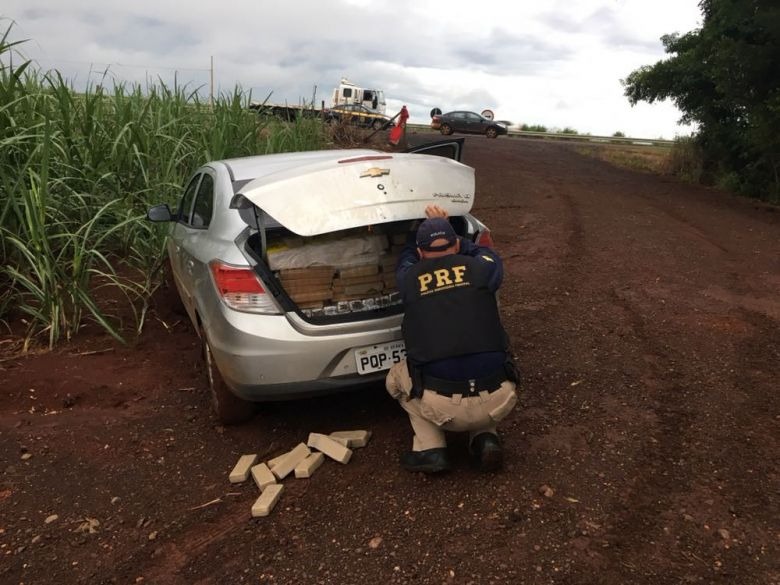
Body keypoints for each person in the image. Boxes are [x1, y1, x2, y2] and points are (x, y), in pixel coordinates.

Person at [385, 204, 519, 473]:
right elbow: (486, 253)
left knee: (396, 380)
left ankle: (431, 449)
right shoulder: (482, 270)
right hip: (500, 398)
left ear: (422, 252)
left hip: (443, 407)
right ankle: (484, 438)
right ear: (456, 247)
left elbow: (406, 258)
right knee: (481, 362)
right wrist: (456, 236)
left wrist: (416, 235)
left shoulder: (409, 279)